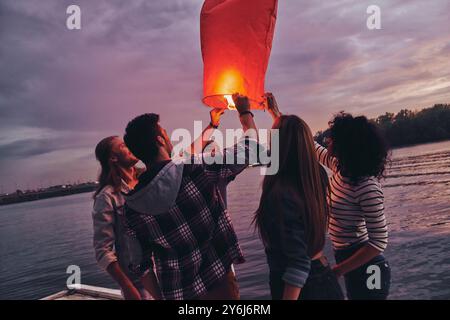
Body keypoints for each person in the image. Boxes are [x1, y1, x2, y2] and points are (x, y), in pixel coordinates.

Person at [122, 94, 261, 300]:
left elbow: (142, 267)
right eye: (165, 133)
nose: (169, 137)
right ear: (161, 140)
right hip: (219, 285)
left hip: (178, 294)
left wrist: (212, 125)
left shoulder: (131, 207)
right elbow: (251, 150)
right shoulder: (195, 169)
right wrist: (244, 113)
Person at [254, 93, 344, 300]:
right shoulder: (317, 175)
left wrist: (247, 118)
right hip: (325, 280)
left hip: (301, 289)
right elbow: (296, 138)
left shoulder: (280, 194)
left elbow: (299, 262)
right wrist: (276, 115)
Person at [315, 112, 391, 300]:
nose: (328, 141)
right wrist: (277, 114)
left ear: (346, 145)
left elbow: (378, 242)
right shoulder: (341, 168)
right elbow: (313, 148)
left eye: (332, 138)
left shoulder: (367, 187)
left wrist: (337, 271)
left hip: (370, 267)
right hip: (348, 259)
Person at [92, 136, 153, 300]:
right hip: (140, 285)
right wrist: (127, 286)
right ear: (113, 157)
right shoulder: (107, 197)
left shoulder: (149, 179)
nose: (132, 146)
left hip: (169, 272)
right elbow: (103, 251)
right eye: (125, 145)